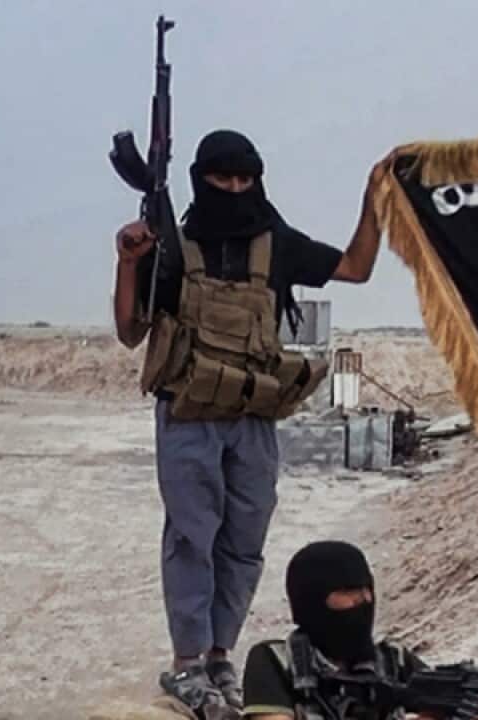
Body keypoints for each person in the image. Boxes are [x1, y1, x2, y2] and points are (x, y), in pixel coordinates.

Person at [113, 130, 387, 713]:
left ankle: (219, 655)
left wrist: (375, 200)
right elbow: (131, 331)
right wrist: (128, 262)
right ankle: (187, 662)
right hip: (188, 412)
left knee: (243, 543)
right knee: (192, 537)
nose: (235, 189)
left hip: (253, 414)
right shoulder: (175, 244)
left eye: (245, 178)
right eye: (222, 179)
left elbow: (357, 267)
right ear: (199, 180)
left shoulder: (275, 244)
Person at [240, 541, 426, 720]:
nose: (364, 600)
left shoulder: (394, 661)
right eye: (349, 592)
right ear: (312, 601)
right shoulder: (275, 661)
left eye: (367, 589)